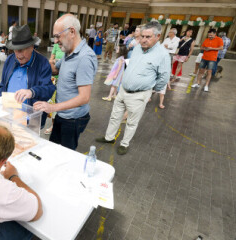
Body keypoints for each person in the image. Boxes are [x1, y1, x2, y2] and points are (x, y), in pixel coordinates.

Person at [96, 21, 170, 155]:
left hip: (139, 95)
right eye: (142, 36)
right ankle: (109, 138)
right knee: (115, 116)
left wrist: (149, 91)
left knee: (131, 122)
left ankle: (124, 144)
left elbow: (163, 78)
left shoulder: (163, 55)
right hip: (123, 90)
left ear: (158, 36)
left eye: (148, 37)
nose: (143, 40)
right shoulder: (137, 48)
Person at [33, 14, 97, 150]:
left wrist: (53, 108)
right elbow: (55, 69)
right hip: (62, 114)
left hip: (73, 119)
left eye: (57, 36)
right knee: (54, 149)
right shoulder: (69, 52)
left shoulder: (84, 58)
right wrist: (33, 55)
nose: (55, 41)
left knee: (66, 155)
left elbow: (84, 97)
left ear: (72, 32)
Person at [0, 25, 55, 128]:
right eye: (16, 50)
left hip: (30, 121)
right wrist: (0, 104)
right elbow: (3, 85)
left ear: (32, 47)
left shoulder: (42, 63)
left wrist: (32, 92)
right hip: (9, 117)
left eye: (22, 50)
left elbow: (49, 89)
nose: (19, 55)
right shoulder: (10, 60)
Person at [44, 43, 65, 135]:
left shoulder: (70, 48)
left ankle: (61, 127)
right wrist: (53, 61)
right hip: (55, 77)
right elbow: (51, 59)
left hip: (64, 79)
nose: (57, 40)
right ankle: (53, 126)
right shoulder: (56, 46)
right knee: (53, 102)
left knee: (62, 103)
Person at [158, 28, 179, 108]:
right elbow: (162, 45)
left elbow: (173, 47)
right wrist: (166, 47)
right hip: (163, 54)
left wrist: (168, 47)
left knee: (167, 69)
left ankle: (167, 83)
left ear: (173, 33)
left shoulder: (177, 39)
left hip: (170, 54)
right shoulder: (166, 39)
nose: (168, 33)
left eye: (170, 32)